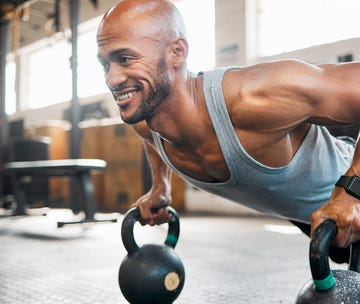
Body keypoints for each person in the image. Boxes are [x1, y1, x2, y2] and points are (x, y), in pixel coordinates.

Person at [96, 0, 360, 255]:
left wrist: (352, 190)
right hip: (313, 217)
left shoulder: (257, 96)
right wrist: (160, 186)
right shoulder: (145, 118)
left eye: (126, 59)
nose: (113, 79)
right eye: (105, 64)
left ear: (176, 52)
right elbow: (152, 141)